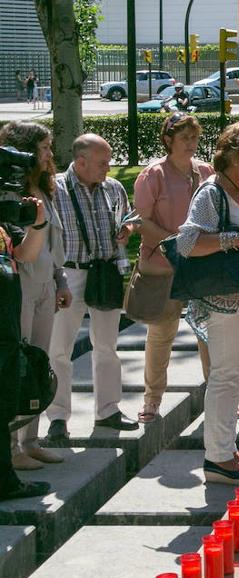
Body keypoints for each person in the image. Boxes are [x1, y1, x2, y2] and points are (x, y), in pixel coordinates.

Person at [176, 122, 239, 485]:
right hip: (225, 299)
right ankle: (217, 460)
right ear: (234, 157)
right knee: (224, 376)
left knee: (233, 375)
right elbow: (187, 243)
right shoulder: (211, 192)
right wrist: (233, 240)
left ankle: (226, 449)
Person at [45, 134, 140, 441]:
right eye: (103, 162)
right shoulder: (55, 188)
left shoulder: (113, 187)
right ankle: (57, 417)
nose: (108, 168)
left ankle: (108, 410)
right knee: (58, 350)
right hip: (68, 273)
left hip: (106, 272)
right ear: (80, 162)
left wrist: (127, 228)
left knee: (107, 347)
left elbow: (128, 217)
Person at [132, 113, 214, 422]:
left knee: (207, 333)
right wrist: (174, 243)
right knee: (161, 333)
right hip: (163, 265)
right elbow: (140, 221)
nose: (191, 143)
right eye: (184, 138)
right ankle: (152, 399)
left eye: (194, 137)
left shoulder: (207, 171)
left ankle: (216, 395)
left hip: (201, 267)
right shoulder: (153, 175)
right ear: (169, 141)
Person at [0, 122, 69, 469]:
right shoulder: (9, 195)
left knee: (39, 364)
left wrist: (61, 281)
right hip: (21, 288)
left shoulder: (45, 190)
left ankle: (31, 441)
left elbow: (53, 247)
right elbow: (22, 251)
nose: (49, 154)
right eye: (43, 148)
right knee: (19, 365)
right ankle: (11, 449)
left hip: (45, 287)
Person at [1, 196, 54, 500]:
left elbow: (25, 254)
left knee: (4, 404)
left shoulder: (4, 222)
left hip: (6, 331)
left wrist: (38, 224)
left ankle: (6, 480)